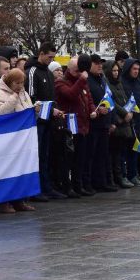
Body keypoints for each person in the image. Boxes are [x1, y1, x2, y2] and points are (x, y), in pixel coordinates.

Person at [0, 68, 39, 213]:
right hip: (6, 139)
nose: (20, 86)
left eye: (22, 82)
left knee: (21, 169)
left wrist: (34, 111)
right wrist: (13, 98)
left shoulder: (24, 94)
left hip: (21, 140)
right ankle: (3, 202)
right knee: (6, 170)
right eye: (17, 83)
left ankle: (19, 200)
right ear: (9, 82)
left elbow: (26, 114)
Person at [26, 43, 64, 200]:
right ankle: (36, 189)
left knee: (46, 154)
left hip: (49, 120)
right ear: (41, 54)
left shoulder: (48, 73)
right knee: (38, 154)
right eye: (49, 57)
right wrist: (48, 110)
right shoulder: (32, 72)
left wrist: (56, 109)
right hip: (37, 121)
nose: (51, 60)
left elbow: (52, 96)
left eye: (53, 58)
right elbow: (31, 99)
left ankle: (47, 186)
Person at [54, 56, 94, 197]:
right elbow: (71, 95)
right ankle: (67, 186)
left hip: (83, 126)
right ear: (70, 69)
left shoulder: (82, 82)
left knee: (80, 159)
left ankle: (78, 185)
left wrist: (93, 110)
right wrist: (81, 80)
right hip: (69, 127)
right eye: (77, 71)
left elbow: (88, 98)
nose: (80, 73)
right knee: (68, 159)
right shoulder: (60, 82)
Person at [86, 54, 116, 192]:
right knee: (91, 154)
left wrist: (111, 121)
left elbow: (109, 98)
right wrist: (98, 111)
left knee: (103, 154)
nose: (99, 66)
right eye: (96, 63)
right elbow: (87, 101)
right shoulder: (86, 80)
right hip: (93, 124)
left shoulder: (102, 79)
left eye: (100, 63)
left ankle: (102, 182)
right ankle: (90, 183)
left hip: (104, 123)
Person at [120, 57, 140, 186]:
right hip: (127, 121)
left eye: (138, 69)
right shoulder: (122, 82)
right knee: (125, 150)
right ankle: (125, 175)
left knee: (135, 149)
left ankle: (134, 174)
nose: (136, 71)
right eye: (134, 69)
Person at [105, 60, 135, 189]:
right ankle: (116, 178)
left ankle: (121, 176)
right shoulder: (107, 84)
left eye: (117, 70)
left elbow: (124, 99)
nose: (116, 73)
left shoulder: (119, 83)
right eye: (113, 71)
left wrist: (130, 111)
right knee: (114, 153)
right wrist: (124, 114)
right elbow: (112, 102)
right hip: (117, 122)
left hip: (124, 123)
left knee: (121, 152)